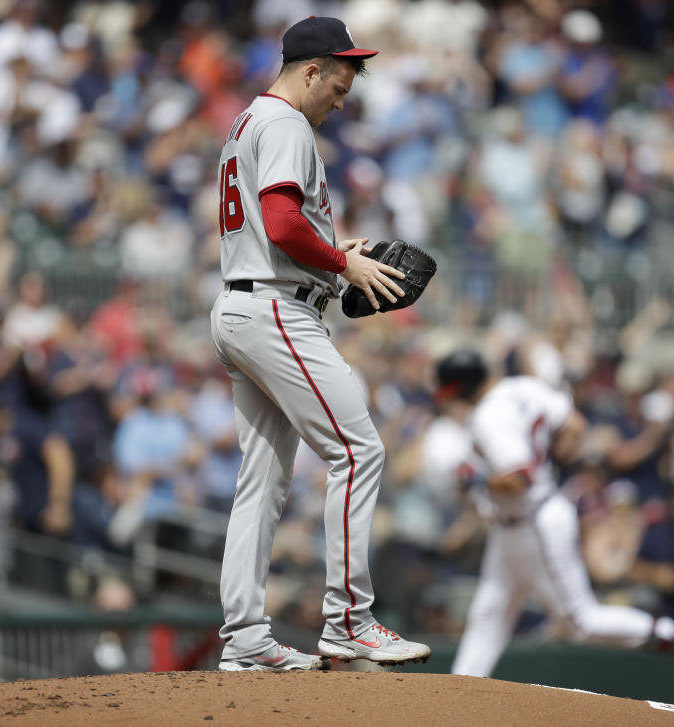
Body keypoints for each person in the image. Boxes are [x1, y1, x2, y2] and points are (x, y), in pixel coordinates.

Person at [209, 16, 429, 672]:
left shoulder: (248, 121)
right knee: (359, 451)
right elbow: (279, 223)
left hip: (245, 304)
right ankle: (349, 620)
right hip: (276, 309)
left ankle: (246, 640)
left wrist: (334, 253)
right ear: (310, 70)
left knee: (263, 481)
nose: (344, 95)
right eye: (340, 80)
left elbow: (274, 223)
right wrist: (341, 264)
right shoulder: (285, 124)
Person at [435, 349, 674, 690]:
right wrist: (552, 460)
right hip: (519, 525)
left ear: (463, 387)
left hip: (534, 524)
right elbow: (574, 426)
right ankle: (459, 694)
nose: (451, 403)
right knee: (489, 612)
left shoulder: (489, 416)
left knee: (582, 622)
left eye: (452, 395)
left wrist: (475, 478)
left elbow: (519, 478)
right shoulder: (522, 387)